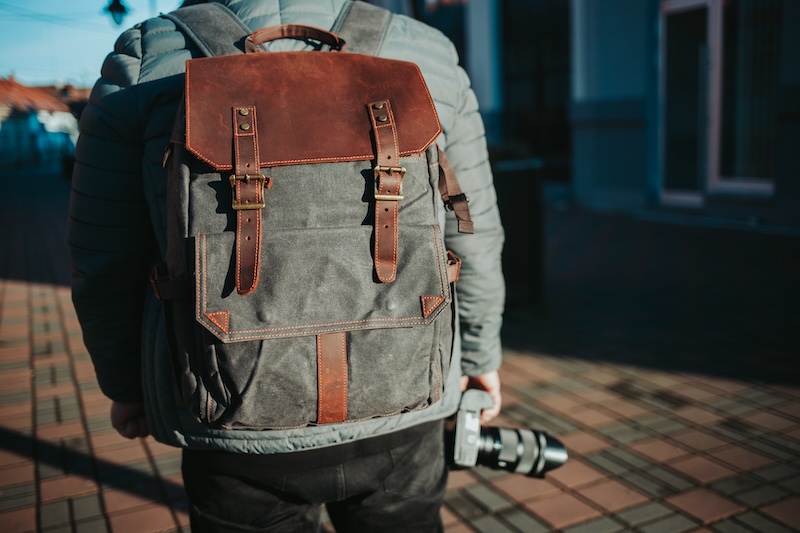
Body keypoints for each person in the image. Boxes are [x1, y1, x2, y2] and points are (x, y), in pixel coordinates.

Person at [68, 0, 505, 531]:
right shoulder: (426, 50)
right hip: (408, 392)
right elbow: (473, 230)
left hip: (229, 412)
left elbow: (104, 260)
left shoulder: (144, 58)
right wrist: (480, 358)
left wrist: (124, 386)